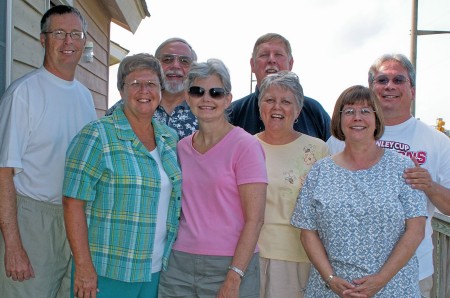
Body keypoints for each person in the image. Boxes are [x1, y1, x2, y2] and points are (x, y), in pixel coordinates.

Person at [327, 54, 450, 297]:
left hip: (413, 271)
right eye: (382, 80)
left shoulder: (437, 142)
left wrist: (429, 186)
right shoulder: (338, 141)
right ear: (371, 89)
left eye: (398, 80)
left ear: (412, 90)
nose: (390, 86)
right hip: (347, 274)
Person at [63, 53, 181, 298]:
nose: (143, 90)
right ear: (121, 91)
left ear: (160, 91)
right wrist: (84, 267)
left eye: (150, 84)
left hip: (154, 268)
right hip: (108, 269)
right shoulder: (97, 135)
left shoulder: (169, 138)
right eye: (135, 84)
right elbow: (73, 202)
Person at [292, 85, 427, 297]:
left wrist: (380, 280)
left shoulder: (402, 167)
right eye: (349, 111)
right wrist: (331, 279)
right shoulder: (320, 171)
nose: (357, 117)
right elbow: (307, 232)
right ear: (339, 120)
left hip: (393, 288)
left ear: (377, 119)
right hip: (332, 290)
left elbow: (416, 230)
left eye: (365, 111)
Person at [0, 5, 97, 298]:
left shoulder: (85, 97)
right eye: (59, 33)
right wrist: (13, 246)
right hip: (32, 221)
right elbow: (3, 173)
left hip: (75, 219)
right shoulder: (23, 94)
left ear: (83, 42)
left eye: (75, 34)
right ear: (43, 40)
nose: (68, 42)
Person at [158, 59, 268, 298]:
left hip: (230, 264)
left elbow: (255, 219)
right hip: (178, 264)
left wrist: (235, 274)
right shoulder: (181, 148)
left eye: (215, 93)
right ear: (188, 97)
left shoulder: (246, 146)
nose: (206, 99)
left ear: (227, 99)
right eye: (198, 91)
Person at [255, 71, 328, 297]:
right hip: (250, 255)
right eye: (269, 100)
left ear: (297, 110)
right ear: (260, 107)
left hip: (298, 257)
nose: (277, 107)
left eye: (286, 102)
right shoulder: (244, 146)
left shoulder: (318, 150)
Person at [229, 33, 331, 142]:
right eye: (264, 54)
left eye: (278, 54)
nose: (271, 60)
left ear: (290, 63)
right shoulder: (233, 113)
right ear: (252, 64)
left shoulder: (314, 112)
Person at [107, 37, 198, 139]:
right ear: (156, 66)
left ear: (193, 69)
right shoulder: (123, 109)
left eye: (184, 61)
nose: (176, 66)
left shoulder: (205, 110)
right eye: (167, 60)